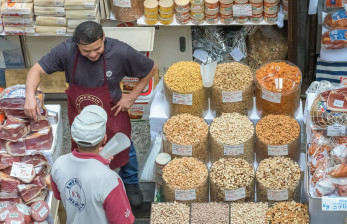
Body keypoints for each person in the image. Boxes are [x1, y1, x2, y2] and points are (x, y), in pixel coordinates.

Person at [24, 21, 156, 207]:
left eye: (97, 49)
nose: (93, 54)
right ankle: (89, 186)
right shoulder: (66, 50)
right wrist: (29, 95)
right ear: (77, 44)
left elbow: (151, 68)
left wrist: (132, 96)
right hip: (81, 116)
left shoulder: (120, 51)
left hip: (112, 112)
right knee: (83, 153)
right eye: (86, 51)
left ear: (103, 38)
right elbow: (35, 70)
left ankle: (131, 184)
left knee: (124, 147)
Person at [51, 105, 134, 224]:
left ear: (72, 138)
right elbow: (124, 222)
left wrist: (98, 163)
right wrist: (100, 166)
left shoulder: (58, 164)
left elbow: (60, 197)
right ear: (104, 139)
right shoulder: (110, 180)